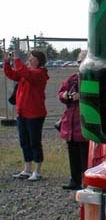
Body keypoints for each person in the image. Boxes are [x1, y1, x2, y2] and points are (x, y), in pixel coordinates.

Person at [3, 49, 49, 180]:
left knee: (35, 142)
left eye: (32, 58)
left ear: (39, 60)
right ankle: (27, 169)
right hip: (22, 113)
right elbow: (12, 74)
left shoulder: (40, 73)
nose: (29, 60)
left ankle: (37, 171)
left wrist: (17, 60)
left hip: (35, 114)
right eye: (29, 58)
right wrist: (7, 62)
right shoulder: (28, 72)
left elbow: (26, 74)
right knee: (24, 142)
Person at [57, 50, 88, 190]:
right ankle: (75, 180)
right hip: (70, 124)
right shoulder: (72, 79)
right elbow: (61, 93)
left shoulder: (93, 79)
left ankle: (87, 183)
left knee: (85, 157)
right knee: (73, 154)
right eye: (79, 62)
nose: (81, 65)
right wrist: (65, 95)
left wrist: (82, 96)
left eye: (84, 62)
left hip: (84, 124)